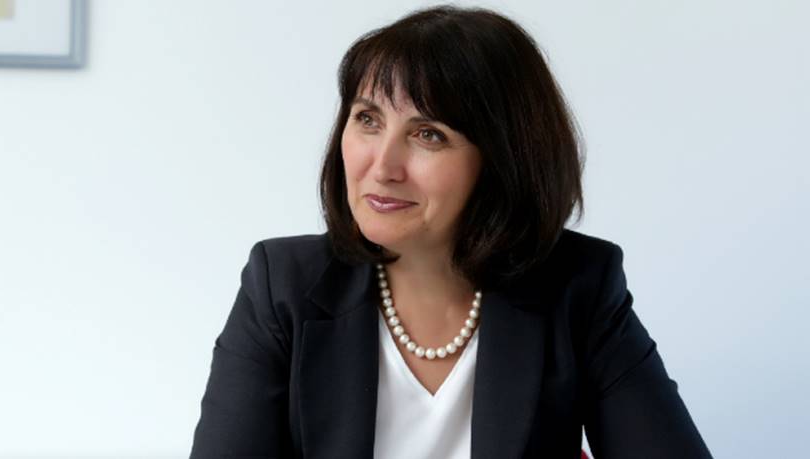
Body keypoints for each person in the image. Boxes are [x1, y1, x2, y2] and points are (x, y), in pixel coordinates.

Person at [189, 5, 712, 458]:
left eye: (428, 134)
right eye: (368, 120)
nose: (383, 166)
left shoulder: (579, 287)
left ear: (504, 161)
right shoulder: (282, 286)